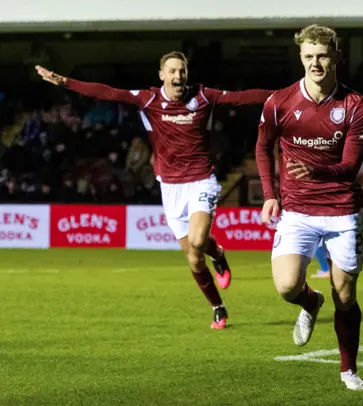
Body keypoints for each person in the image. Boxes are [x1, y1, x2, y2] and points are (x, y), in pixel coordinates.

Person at [35, 52, 272, 329]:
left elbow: (242, 97)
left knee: (197, 240)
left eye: (182, 70)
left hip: (200, 181)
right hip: (170, 188)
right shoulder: (148, 99)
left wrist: (288, 94)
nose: (178, 76)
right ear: (161, 75)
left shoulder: (204, 96)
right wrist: (65, 82)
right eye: (172, 71)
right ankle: (218, 306)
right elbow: (107, 93)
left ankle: (217, 254)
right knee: (194, 259)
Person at [255, 24, 363, 390]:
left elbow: (350, 166)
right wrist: (270, 194)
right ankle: (310, 301)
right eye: (308, 56)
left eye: (322, 55)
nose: (315, 63)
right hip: (297, 210)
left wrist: (315, 170)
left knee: (346, 295)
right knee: (288, 287)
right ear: (300, 57)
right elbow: (262, 148)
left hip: (342, 211)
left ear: (337, 56)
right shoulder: (279, 102)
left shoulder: (355, 105)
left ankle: (348, 370)